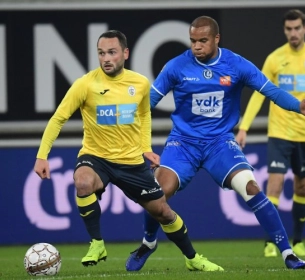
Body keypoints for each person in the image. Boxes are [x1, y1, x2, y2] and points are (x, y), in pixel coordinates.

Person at [125, 16, 305, 272]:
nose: (196, 46)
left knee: (251, 188)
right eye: (193, 41)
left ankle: (287, 253)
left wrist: (298, 106)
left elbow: (270, 91)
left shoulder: (236, 65)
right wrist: (129, 129)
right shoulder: (176, 67)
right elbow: (146, 104)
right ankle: (148, 243)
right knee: (158, 193)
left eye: (203, 41)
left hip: (220, 143)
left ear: (216, 39)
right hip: (183, 143)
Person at [33, 30, 223, 272]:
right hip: (96, 157)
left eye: (112, 52)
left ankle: (192, 258)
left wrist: (145, 148)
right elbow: (58, 118)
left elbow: (144, 115)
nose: (106, 59)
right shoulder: (85, 84)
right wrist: (42, 155)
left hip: (132, 162)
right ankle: (97, 243)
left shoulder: (140, 83)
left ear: (125, 53)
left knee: (163, 212)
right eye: (101, 53)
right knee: (82, 182)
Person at [236, 9, 305, 258]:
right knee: (274, 183)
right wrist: (244, 127)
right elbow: (258, 94)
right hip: (280, 133)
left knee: (303, 188)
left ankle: (298, 242)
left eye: (297, 28)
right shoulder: (274, 59)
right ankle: (270, 243)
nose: (293, 33)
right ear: (285, 31)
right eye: (289, 29)